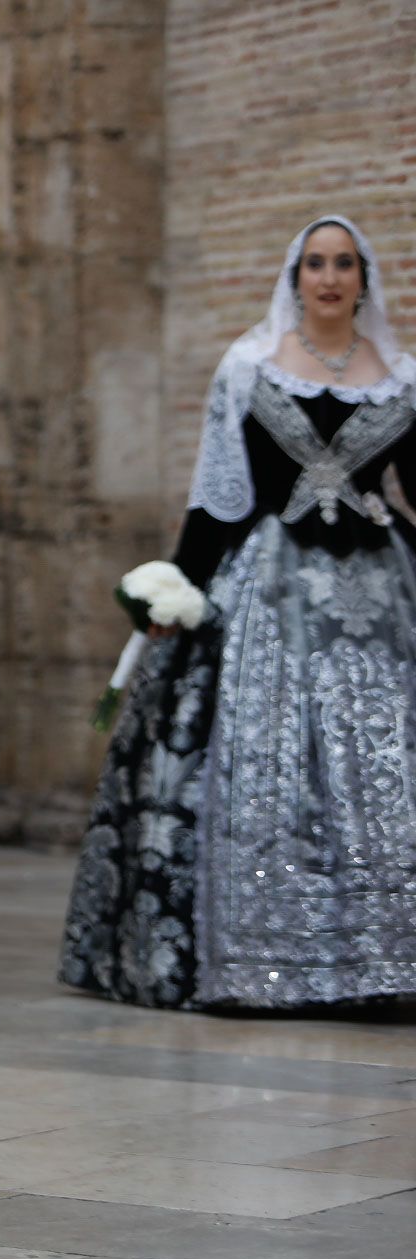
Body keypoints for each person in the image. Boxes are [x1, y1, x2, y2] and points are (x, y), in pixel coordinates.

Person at [62, 215, 416, 1011]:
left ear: (365, 279)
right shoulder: (249, 366)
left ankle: (389, 955)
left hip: (381, 593)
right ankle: (265, 954)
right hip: (270, 588)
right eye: (316, 264)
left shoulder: (403, 374)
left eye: (345, 264)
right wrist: (177, 590)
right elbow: (219, 497)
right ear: (296, 278)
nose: (329, 277)